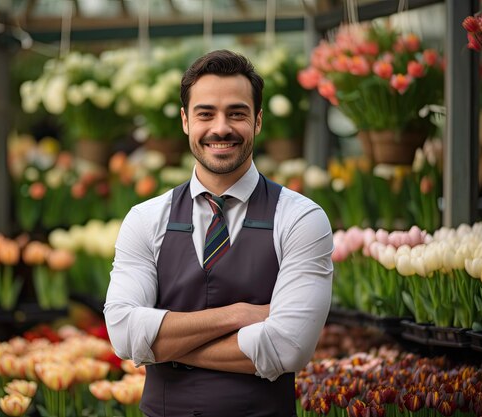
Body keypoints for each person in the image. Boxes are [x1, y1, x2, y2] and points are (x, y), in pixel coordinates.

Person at [104, 49, 333, 417]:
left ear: (258, 121)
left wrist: (160, 345)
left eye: (237, 113)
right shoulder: (146, 218)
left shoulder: (301, 218)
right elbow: (124, 334)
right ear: (185, 121)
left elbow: (288, 346)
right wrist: (240, 314)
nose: (221, 127)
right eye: (205, 114)